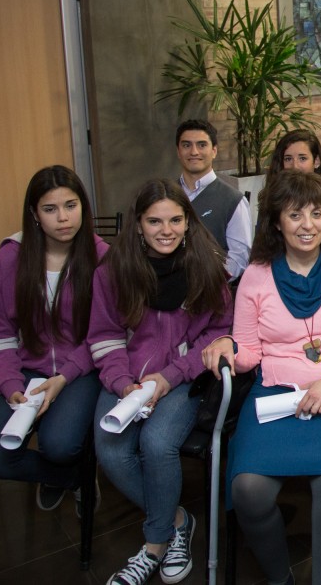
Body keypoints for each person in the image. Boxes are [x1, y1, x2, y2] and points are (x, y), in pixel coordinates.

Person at [202, 170, 321, 585]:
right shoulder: (256, 274)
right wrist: (229, 347)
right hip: (277, 395)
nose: (308, 225)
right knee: (247, 490)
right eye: (295, 215)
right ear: (276, 222)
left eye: (317, 214)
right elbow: (249, 352)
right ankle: (279, 578)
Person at [88, 179, 233, 585]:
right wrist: (121, 383)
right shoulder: (113, 270)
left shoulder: (207, 267)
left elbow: (220, 331)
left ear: (188, 222)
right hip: (125, 380)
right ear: (137, 225)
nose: (166, 230)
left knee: (157, 443)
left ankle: (153, 545)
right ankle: (176, 521)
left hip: (182, 378)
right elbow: (103, 336)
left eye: (175, 219)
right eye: (154, 221)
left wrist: (171, 377)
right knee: (112, 450)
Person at [0, 165, 108, 514]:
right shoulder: (8, 260)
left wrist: (64, 376)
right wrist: (8, 384)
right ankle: (72, 477)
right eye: (50, 209)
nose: (63, 218)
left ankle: (66, 466)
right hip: (24, 370)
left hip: (80, 369)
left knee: (60, 445)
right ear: (34, 214)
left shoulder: (103, 259)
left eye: (71, 205)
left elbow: (106, 333)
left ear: (83, 207)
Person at [175, 118, 253, 280]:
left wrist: (207, 279)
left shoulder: (233, 200)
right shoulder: (165, 195)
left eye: (202, 145)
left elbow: (239, 259)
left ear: (214, 151)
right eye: (186, 145)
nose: (194, 152)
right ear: (178, 151)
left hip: (211, 293)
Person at [265, 128, 321, 230]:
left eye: (302, 158)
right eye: (288, 159)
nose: (294, 166)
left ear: (316, 161)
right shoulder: (271, 203)